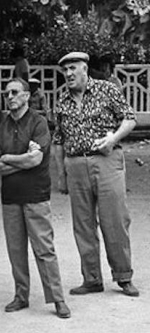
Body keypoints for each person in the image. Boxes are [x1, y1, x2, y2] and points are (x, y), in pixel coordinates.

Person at [53, 52, 139, 297]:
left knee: (115, 219)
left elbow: (129, 119)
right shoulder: (62, 100)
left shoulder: (106, 89)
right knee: (83, 224)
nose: (68, 74)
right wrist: (61, 175)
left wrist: (113, 138)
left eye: (73, 68)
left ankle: (123, 276)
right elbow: (58, 139)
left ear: (84, 68)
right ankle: (91, 279)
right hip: (75, 164)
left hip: (106, 161)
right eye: (65, 70)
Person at [0, 78, 71, 319]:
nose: (10, 97)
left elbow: (36, 159)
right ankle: (21, 295)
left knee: (44, 248)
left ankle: (57, 298)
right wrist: (21, 159)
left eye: (15, 92)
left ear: (26, 95)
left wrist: (7, 158)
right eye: (7, 93)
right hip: (10, 197)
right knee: (15, 250)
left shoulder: (38, 123)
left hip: (36, 194)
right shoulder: (1, 128)